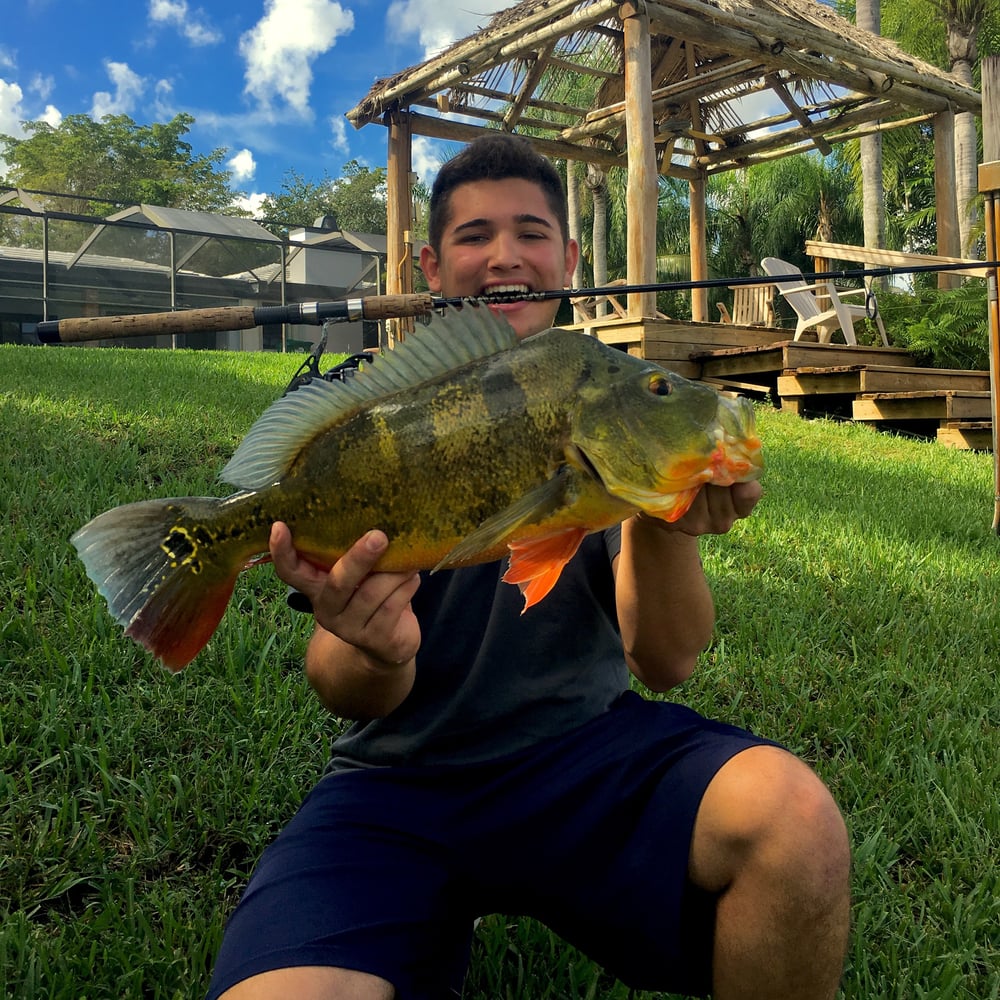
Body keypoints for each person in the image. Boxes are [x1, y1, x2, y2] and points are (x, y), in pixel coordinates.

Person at [207, 133, 850, 1000]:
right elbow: (342, 688)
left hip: (582, 757)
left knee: (795, 821)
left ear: (570, 257)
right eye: (473, 236)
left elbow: (665, 662)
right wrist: (378, 649)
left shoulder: (604, 389)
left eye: (530, 232)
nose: (504, 254)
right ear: (430, 265)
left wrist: (664, 516)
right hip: (397, 779)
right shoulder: (360, 409)